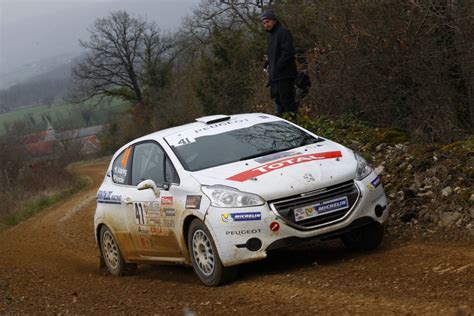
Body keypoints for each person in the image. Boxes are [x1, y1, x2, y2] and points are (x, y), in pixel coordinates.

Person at [261, 10, 298, 116]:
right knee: (278, 101)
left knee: (287, 101)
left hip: (285, 75)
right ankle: (284, 127)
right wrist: (268, 63)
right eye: (264, 23)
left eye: (267, 22)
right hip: (275, 77)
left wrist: (278, 66)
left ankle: (297, 123)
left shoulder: (283, 32)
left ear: (274, 21)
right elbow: (273, 53)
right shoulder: (270, 36)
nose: (266, 25)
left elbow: (288, 52)